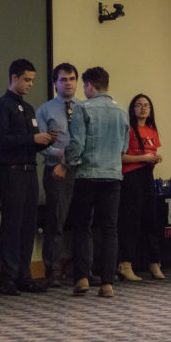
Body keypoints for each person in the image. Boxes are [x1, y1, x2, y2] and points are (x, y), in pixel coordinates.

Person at [0, 59, 56, 296]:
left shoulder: (29, 109)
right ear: (14, 77)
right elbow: (2, 141)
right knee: (12, 225)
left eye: (33, 80)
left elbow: (32, 142)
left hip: (29, 172)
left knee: (28, 226)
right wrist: (32, 140)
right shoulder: (2, 106)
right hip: (11, 172)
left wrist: (47, 139)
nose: (30, 84)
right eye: (27, 79)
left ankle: (24, 276)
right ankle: (7, 278)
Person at [65, 66, 129, 298]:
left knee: (83, 226)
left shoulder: (82, 107)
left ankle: (82, 278)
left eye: (85, 86)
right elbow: (123, 148)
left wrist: (66, 162)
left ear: (89, 85)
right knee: (110, 228)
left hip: (87, 175)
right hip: (113, 175)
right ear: (108, 86)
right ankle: (107, 283)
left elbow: (76, 145)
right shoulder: (122, 112)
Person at [36, 63, 79, 287]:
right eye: (63, 79)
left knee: (84, 222)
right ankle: (52, 271)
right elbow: (41, 144)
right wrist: (60, 153)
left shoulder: (84, 108)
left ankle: (82, 270)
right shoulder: (44, 110)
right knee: (56, 222)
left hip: (82, 172)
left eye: (72, 79)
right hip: (56, 172)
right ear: (55, 83)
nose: (69, 83)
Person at [117, 94, 165, 281]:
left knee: (151, 219)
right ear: (132, 108)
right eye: (139, 105)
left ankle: (154, 262)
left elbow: (152, 152)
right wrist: (143, 158)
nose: (143, 109)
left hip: (147, 176)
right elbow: (120, 156)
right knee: (131, 221)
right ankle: (126, 264)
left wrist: (155, 158)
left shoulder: (152, 129)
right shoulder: (127, 129)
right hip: (130, 178)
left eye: (146, 105)